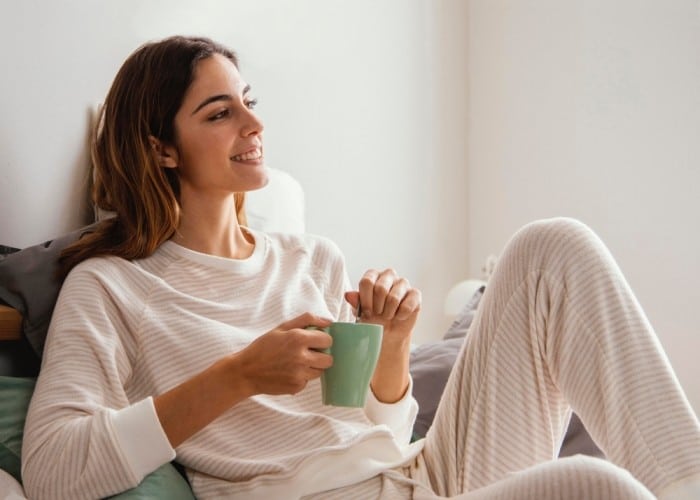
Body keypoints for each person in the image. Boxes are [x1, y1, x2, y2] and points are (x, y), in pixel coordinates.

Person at [21, 35, 700, 500]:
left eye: (249, 101)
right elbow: (51, 468)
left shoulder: (310, 256)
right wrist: (239, 376)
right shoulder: (111, 285)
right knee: (592, 485)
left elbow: (377, 433)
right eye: (220, 113)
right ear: (161, 149)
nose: (253, 126)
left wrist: (392, 350)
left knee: (552, 247)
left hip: (414, 474)